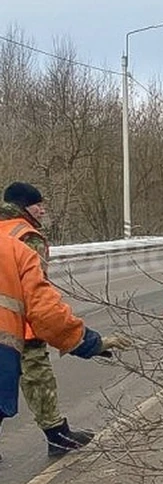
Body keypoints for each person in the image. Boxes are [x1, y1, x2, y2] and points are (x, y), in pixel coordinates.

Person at [0, 233, 131, 460]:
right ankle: (57, 435)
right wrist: (90, 343)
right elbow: (48, 314)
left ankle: (57, 434)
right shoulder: (15, 250)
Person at [0, 182, 97, 456]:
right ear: (23, 206)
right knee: (38, 379)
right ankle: (57, 435)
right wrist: (80, 340)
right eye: (38, 204)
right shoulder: (26, 236)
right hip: (21, 327)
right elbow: (37, 292)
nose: (42, 210)